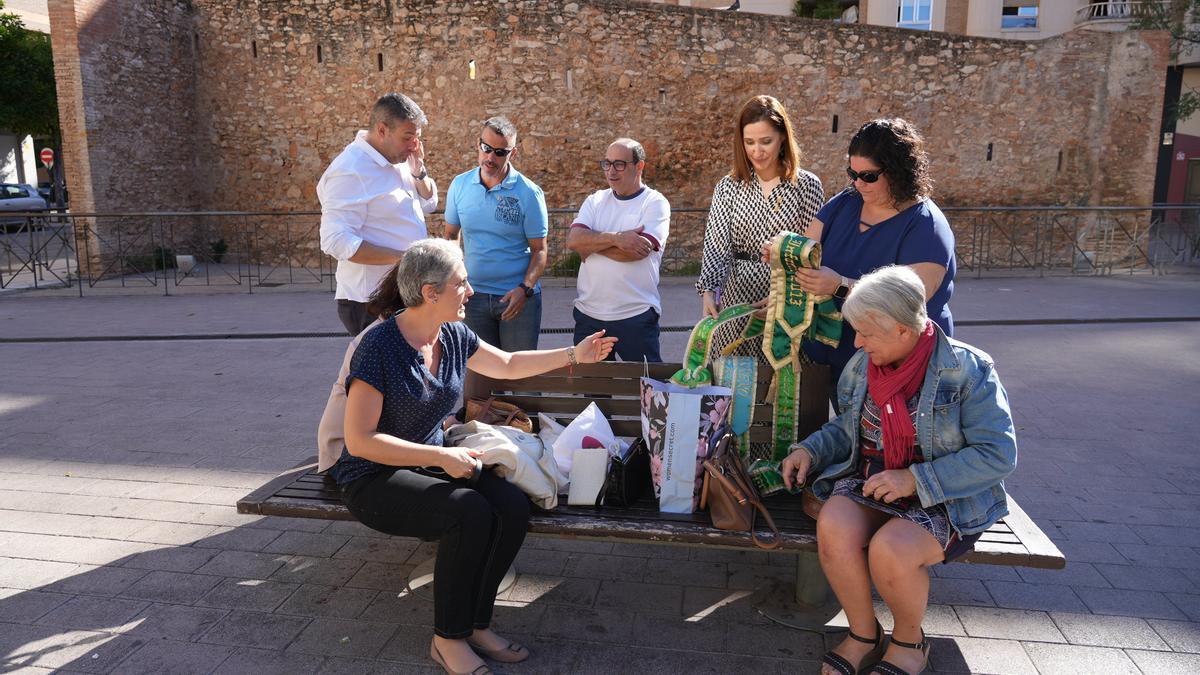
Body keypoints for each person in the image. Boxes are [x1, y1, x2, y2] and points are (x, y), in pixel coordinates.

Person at [331, 239, 616, 675]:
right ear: (430, 293)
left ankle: (476, 624)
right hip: (371, 477)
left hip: (428, 460)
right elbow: (360, 441)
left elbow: (506, 363)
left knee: (511, 505)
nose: (470, 291)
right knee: (468, 513)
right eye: (461, 283)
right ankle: (447, 639)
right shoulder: (379, 347)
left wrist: (574, 355)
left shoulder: (453, 334)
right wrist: (441, 457)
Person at [779, 266, 1017, 675]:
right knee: (833, 523)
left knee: (892, 550)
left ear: (904, 330)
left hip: (948, 496)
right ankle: (863, 633)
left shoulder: (969, 369)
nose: (857, 342)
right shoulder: (864, 365)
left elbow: (998, 454)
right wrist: (809, 451)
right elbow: (848, 425)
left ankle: (909, 642)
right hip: (876, 479)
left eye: (867, 333)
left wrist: (914, 479)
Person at [792, 118, 956, 396]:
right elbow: (806, 250)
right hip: (836, 355)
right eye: (852, 174)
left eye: (868, 176)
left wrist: (839, 285)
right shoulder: (845, 202)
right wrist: (784, 265)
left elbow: (909, 298)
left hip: (898, 366)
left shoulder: (927, 226)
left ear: (898, 172)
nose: (858, 183)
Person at [695, 94, 825, 360]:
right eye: (749, 142)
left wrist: (785, 297)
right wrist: (708, 291)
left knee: (784, 379)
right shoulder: (728, 186)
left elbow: (813, 252)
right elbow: (717, 244)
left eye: (766, 141)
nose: (757, 151)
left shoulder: (808, 186)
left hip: (790, 295)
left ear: (782, 139)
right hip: (738, 296)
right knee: (732, 376)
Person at [318, 93, 437, 335]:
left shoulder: (399, 158)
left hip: (401, 294)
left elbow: (429, 204)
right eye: (408, 137)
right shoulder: (350, 170)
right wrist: (404, 261)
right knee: (383, 373)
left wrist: (419, 173)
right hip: (371, 301)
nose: (414, 145)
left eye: (417, 138)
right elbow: (335, 241)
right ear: (382, 130)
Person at [443, 116, 549, 351]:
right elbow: (450, 236)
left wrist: (525, 289)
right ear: (477, 144)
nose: (490, 157)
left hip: (517, 299)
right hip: (472, 296)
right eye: (486, 148)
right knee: (481, 380)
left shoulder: (530, 193)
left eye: (500, 152)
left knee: (524, 381)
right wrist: (454, 281)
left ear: (513, 153)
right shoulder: (459, 185)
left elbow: (540, 250)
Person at [565, 138, 670, 362]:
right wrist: (618, 238)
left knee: (647, 390)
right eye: (607, 163)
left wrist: (591, 245)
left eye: (619, 164)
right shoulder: (595, 201)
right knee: (593, 393)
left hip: (636, 315)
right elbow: (574, 240)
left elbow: (635, 252)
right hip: (589, 315)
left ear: (639, 166)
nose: (611, 171)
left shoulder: (654, 203)